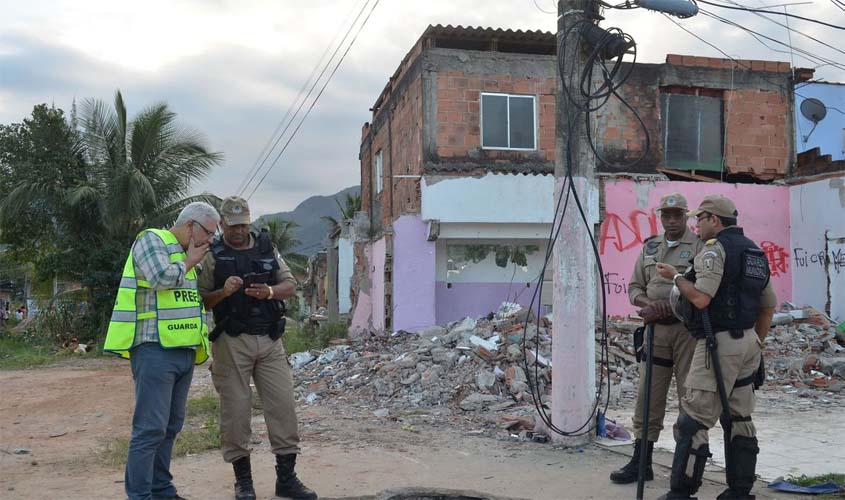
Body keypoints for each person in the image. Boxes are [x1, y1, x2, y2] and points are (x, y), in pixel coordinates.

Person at [656, 195, 776, 500]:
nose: (696, 224)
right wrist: (757, 345)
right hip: (748, 341)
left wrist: (677, 277)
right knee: (740, 418)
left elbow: (700, 298)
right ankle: (739, 491)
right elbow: (767, 307)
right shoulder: (755, 252)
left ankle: (682, 493)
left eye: (701, 218)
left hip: (717, 343)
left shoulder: (714, 250)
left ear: (715, 220)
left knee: (693, 419)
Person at [198, 196, 316, 500]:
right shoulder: (214, 254)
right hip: (231, 342)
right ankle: (244, 483)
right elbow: (201, 299)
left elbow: (290, 286)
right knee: (236, 411)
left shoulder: (267, 248)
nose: (239, 231)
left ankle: (286, 479)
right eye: (233, 225)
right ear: (222, 223)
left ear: (249, 221)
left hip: (270, 339)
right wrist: (223, 293)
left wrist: (269, 292)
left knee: (283, 407)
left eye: (243, 225)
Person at [103, 201, 219, 500]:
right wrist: (190, 261)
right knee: (150, 428)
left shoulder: (185, 256)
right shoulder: (151, 240)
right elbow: (160, 279)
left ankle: (162, 490)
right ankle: (140, 495)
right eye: (208, 232)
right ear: (191, 225)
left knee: (170, 426)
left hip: (182, 351)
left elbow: (190, 303)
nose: (209, 240)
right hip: (154, 349)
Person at [609, 193, 702, 485]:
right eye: (667, 215)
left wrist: (674, 303)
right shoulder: (651, 247)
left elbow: (704, 289)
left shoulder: (700, 247)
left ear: (686, 217)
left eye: (677, 215)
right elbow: (635, 287)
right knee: (648, 395)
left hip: (686, 331)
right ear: (660, 217)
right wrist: (647, 304)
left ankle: (684, 468)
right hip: (655, 330)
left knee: (690, 396)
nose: (672, 221)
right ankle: (641, 462)